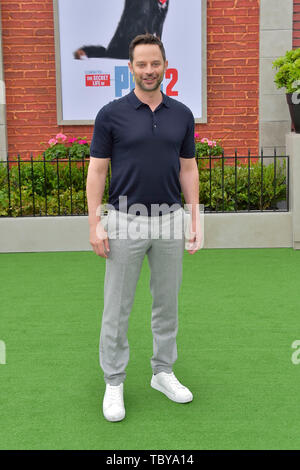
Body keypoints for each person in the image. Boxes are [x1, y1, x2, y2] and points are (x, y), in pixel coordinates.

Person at [86, 33, 202, 422]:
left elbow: (188, 168)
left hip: (170, 220)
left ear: (164, 65)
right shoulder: (111, 114)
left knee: (167, 305)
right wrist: (95, 224)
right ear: (131, 67)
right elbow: (97, 170)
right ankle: (114, 381)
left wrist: (194, 218)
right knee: (116, 308)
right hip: (124, 220)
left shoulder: (181, 114)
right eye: (141, 64)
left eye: (155, 64)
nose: (149, 70)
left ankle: (162, 372)